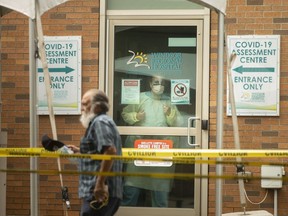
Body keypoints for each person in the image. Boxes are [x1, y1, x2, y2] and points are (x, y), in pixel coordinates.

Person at [121, 76, 183, 207]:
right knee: (132, 184)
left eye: (162, 83)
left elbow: (178, 122)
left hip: (161, 148)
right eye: (156, 83)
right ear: (150, 84)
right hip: (139, 147)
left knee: (159, 186)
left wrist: (170, 113)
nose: (159, 86)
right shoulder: (140, 98)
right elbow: (125, 114)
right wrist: (136, 116)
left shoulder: (168, 101)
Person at [68, 89, 123, 216]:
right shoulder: (100, 122)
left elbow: (110, 151)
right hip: (97, 191)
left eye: (85, 104)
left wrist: (99, 184)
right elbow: (101, 151)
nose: (82, 108)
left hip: (99, 192)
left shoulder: (100, 123)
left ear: (97, 106)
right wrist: (80, 151)